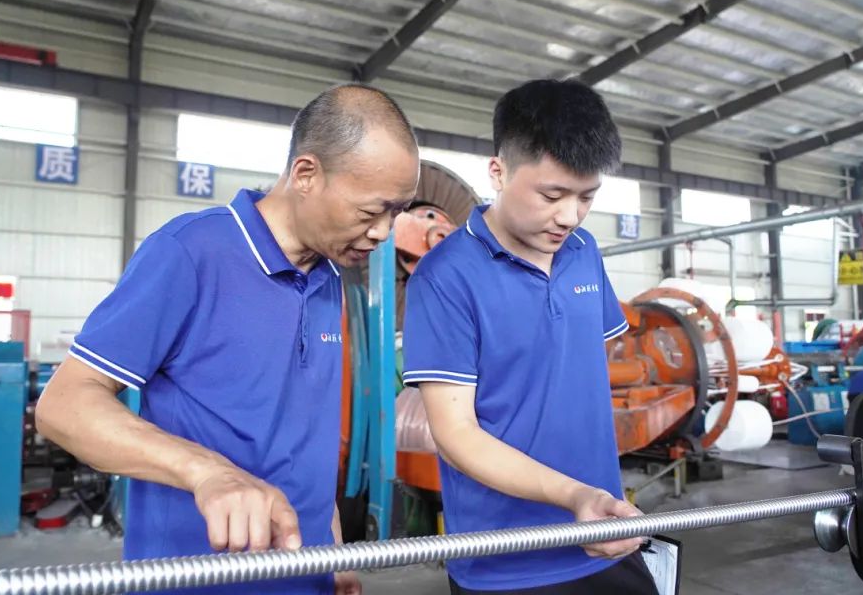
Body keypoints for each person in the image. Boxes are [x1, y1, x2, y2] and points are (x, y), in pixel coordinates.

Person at [36, 84, 421, 595]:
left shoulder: (329, 277)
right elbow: (63, 406)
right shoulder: (191, 254)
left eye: (397, 212)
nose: (383, 232)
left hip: (305, 575)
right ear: (306, 174)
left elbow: (308, 442)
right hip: (198, 580)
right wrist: (208, 473)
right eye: (371, 211)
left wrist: (333, 550)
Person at [401, 79, 657, 594]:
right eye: (551, 195)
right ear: (498, 171)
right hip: (505, 560)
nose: (570, 216)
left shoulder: (583, 252)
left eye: (587, 197)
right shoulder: (445, 277)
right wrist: (574, 496)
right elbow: (456, 434)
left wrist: (594, 499)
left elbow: (581, 381)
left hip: (603, 535)